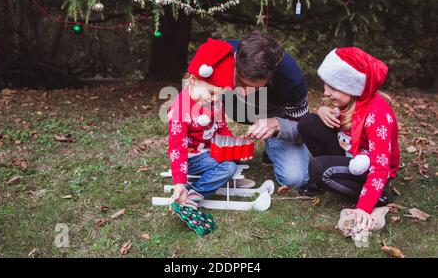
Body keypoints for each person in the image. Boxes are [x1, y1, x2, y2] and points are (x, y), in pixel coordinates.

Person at [298, 47, 400, 229]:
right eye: (326, 84)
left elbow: (380, 168)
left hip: (369, 168)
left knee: (318, 168)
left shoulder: (377, 115)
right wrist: (322, 111)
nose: (326, 92)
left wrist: (364, 207)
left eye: (334, 87)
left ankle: (379, 197)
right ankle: (334, 179)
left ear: (352, 88)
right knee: (308, 122)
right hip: (350, 153)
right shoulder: (348, 102)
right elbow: (340, 131)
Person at [225, 31, 313, 193]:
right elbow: (189, 104)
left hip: (274, 113)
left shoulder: (292, 79)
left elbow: (303, 130)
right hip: (223, 107)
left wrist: (278, 125)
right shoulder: (218, 56)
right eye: (241, 82)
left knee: (295, 178)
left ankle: (273, 144)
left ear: (272, 75)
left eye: (255, 87)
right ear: (235, 60)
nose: (244, 93)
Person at [167, 38, 237, 209]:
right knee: (228, 166)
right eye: (212, 93)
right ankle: (193, 193)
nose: (215, 99)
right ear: (193, 81)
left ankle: (223, 178)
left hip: (209, 150)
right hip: (192, 158)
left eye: (218, 95)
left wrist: (232, 144)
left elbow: (221, 128)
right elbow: (177, 149)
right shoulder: (180, 110)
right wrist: (179, 182)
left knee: (235, 154)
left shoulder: (214, 102)